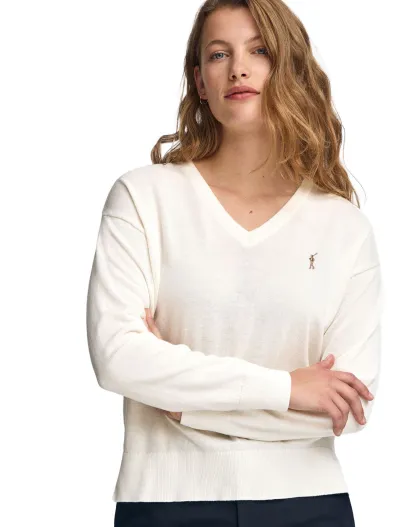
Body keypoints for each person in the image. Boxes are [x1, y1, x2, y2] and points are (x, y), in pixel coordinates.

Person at [86, 1, 384, 525]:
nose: (238, 69)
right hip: (166, 503)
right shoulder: (144, 198)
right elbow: (118, 357)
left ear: (288, 67)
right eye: (219, 54)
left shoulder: (344, 227)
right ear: (200, 81)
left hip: (310, 505)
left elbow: (349, 408)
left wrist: (185, 404)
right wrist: (288, 389)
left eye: (259, 51)